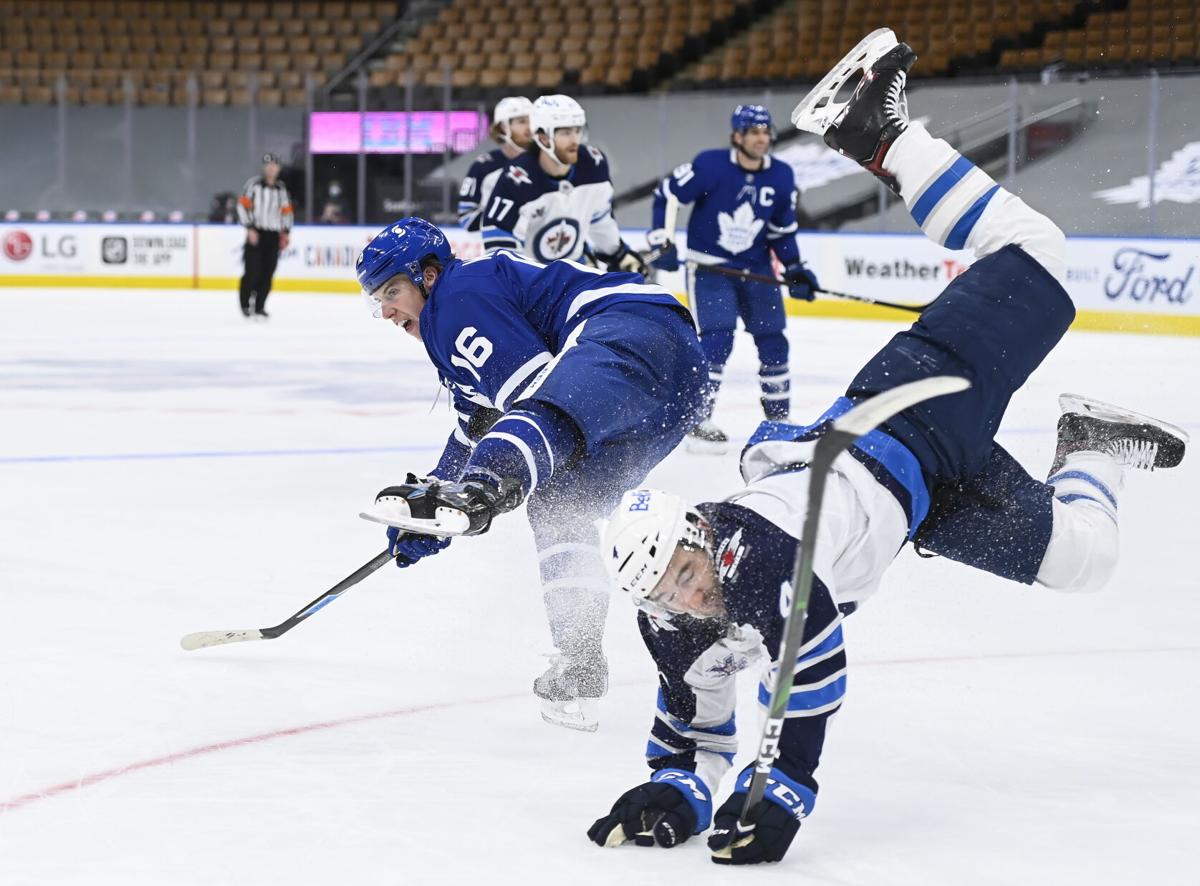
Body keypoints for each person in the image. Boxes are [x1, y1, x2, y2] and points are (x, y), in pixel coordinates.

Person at [588, 29, 1188, 867]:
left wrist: (786, 788)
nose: (689, 598)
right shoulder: (674, 620)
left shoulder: (747, 554)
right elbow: (698, 723)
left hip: (907, 418)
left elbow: (814, 657)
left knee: (1035, 253)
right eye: (668, 597)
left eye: (686, 573)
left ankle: (879, 132)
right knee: (1083, 561)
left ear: (700, 536)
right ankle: (1089, 444)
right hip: (923, 502)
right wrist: (677, 790)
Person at [353, 217, 706, 732]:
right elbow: (473, 431)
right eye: (375, 299)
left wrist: (478, 488)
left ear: (427, 275)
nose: (385, 311)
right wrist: (430, 505)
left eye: (392, 291)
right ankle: (580, 654)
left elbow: (538, 394)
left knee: (540, 425)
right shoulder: (456, 323)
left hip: (629, 328)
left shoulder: (457, 298)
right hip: (676, 390)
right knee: (560, 502)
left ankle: (487, 489)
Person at [648, 104, 820, 450]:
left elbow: (780, 233)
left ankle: (778, 418)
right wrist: (661, 241)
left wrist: (795, 268)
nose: (761, 138)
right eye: (753, 131)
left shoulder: (782, 176)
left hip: (756, 270)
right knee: (717, 339)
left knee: (773, 339)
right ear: (736, 136)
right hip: (711, 269)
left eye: (765, 131)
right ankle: (698, 416)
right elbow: (666, 195)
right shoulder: (710, 166)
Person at [480, 94, 647, 275]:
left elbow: (600, 219)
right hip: (531, 281)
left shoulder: (593, 164)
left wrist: (618, 255)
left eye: (578, 130)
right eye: (566, 133)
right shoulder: (518, 177)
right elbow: (499, 243)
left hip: (574, 273)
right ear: (543, 138)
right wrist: (526, 282)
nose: (575, 140)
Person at [457, 96, 534, 233]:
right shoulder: (484, 166)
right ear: (504, 127)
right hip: (496, 248)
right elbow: (466, 219)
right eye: (522, 121)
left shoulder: (544, 163)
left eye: (532, 121)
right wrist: (511, 218)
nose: (529, 127)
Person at [236, 152, 293, 320]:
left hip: (273, 235)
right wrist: (250, 228)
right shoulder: (253, 185)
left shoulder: (281, 189)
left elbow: (287, 211)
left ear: (279, 168)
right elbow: (242, 207)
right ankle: (246, 305)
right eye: (268, 165)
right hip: (256, 232)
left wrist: (286, 232)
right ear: (264, 167)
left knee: (268, 272)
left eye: (274, 165)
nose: (271, 168)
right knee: (252, 271)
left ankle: (260, 306)